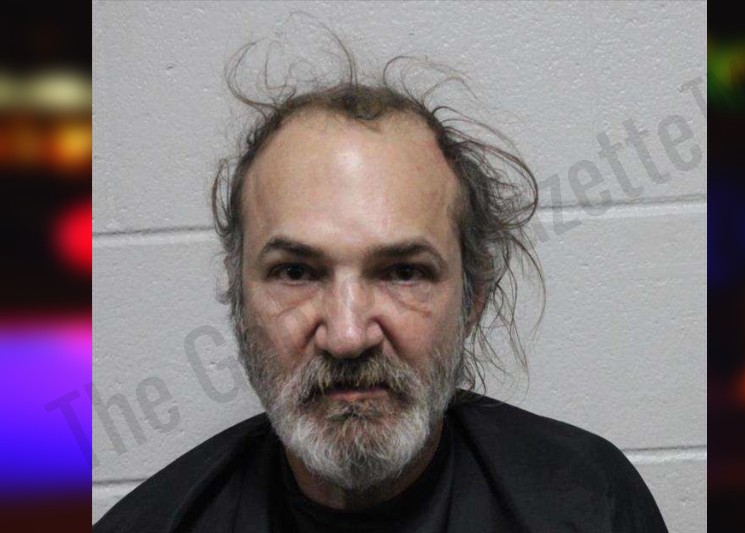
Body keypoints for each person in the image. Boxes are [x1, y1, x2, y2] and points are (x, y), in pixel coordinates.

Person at [94, 44, 668, 532]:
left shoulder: (592, 505)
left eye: (403, 272)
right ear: (239, 299)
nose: (347, 337)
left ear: (473, 298)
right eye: (296, 272)